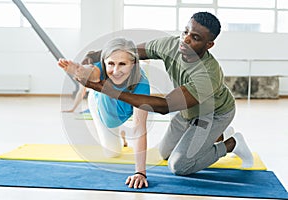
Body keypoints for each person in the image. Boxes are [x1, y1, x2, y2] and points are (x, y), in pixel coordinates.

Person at [78, 12, 254, 176]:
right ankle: (218, 135)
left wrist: (107, 90)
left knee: (179, 165)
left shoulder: (208, 74)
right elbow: (130, 53)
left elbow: (165, 106)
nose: (185, 39)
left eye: (195, 38)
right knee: (164, 153)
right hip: (187, 111)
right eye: (186, 31)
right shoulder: (171, 45)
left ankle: (231, 143)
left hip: (212, 114)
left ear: (209, 45)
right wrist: (95, 55)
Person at [58, 38, 150, 189]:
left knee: (123, 123)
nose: (115, 70)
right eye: (111, 63)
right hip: (102, 108)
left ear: (133, 64)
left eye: (123, 64)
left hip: (123, 111)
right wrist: (80, 71)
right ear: (104, 62)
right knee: (112, 153)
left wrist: (141, 172)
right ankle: (119, 132)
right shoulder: (101, 68)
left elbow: (140, 128)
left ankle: (120, 131)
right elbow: (92, 74)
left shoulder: (142, 85)